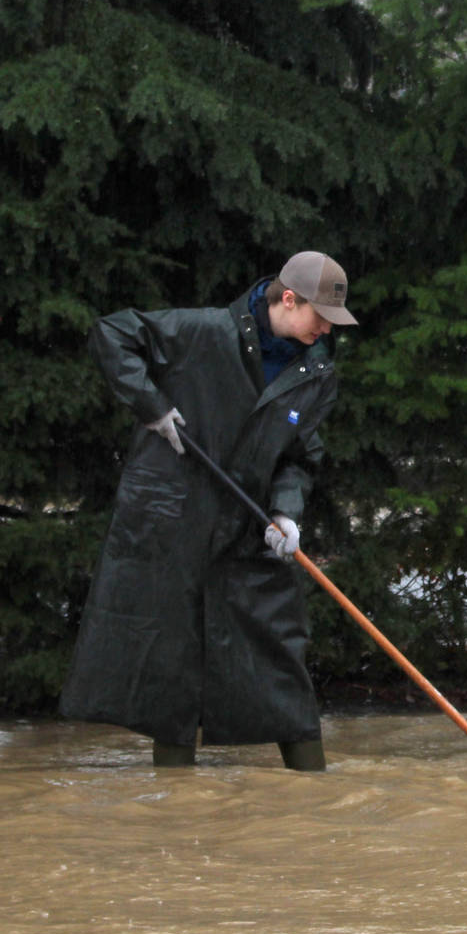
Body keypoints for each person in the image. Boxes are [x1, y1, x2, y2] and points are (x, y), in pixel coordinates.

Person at [60, 252, 358, 771]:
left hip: (250, 531)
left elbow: (299, 456)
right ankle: (176, 806)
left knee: (281, 662)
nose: (326, 331)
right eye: (320, 318)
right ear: (289, 299)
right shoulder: (199, 331)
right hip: (172, 524)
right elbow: (112, 333)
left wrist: (287, 513)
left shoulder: (316, 372)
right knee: (169, 670)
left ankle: (316, 795)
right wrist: (151, 406)